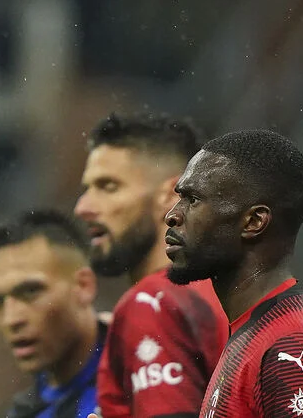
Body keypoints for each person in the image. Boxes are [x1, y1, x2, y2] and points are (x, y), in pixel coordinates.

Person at [166, 130, 303, 418]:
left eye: (193, 199)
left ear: (254, 222)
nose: (172, 215)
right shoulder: (259, 330)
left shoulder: (295, 344)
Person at [74, 113, 228, 418]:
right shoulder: (227, 292)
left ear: (171, 194)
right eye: (87, 189)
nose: (83, 207)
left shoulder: (153, 304)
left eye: (108, 186)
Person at [0, 210, 106, 418]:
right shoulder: (24, 412)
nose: (11, 319)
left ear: (83, 286)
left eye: (30, 292)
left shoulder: (144, 376)